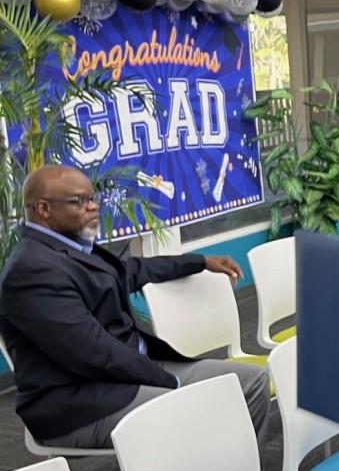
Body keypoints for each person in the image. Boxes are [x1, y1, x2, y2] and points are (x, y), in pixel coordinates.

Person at [0, 165, 270, 450]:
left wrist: (200, 262)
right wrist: (170, 383)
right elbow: (95, 353)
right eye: (81, 201)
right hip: (83, 402)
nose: (93, 207)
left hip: (131, 371)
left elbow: (130, 271)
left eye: (94, 198)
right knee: (195, 415)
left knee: (252, 382)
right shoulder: (30, 271)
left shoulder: (72, 247)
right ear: (43, 209)